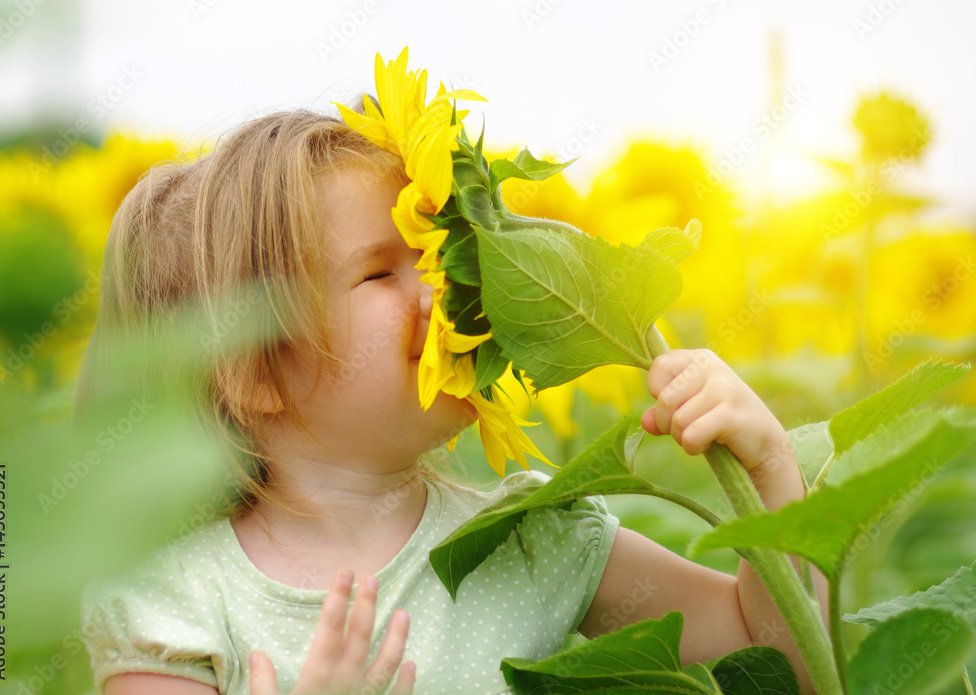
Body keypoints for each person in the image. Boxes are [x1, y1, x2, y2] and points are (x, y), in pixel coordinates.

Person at [77, 108, 827, 695]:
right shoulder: (172, 598)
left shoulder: (528, 539)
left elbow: (783, 662)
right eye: (379, 272)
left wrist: (770, 468)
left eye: (434, 252)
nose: (445, 287)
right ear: (253, 373)